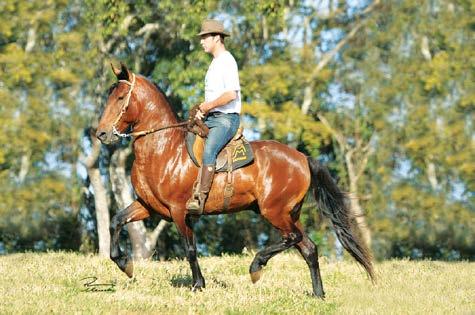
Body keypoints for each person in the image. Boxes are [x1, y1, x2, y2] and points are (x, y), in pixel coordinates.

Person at [186, 19, 241, 215]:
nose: (201, 41)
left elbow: (231, 95)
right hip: (213, 117)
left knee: (209, 150)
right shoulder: (215, 63)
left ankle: (200, 197)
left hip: (227, 120)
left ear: (217, 38)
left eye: (205, 37)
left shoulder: (227, 61)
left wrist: (208, 105)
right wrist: (203, 111)